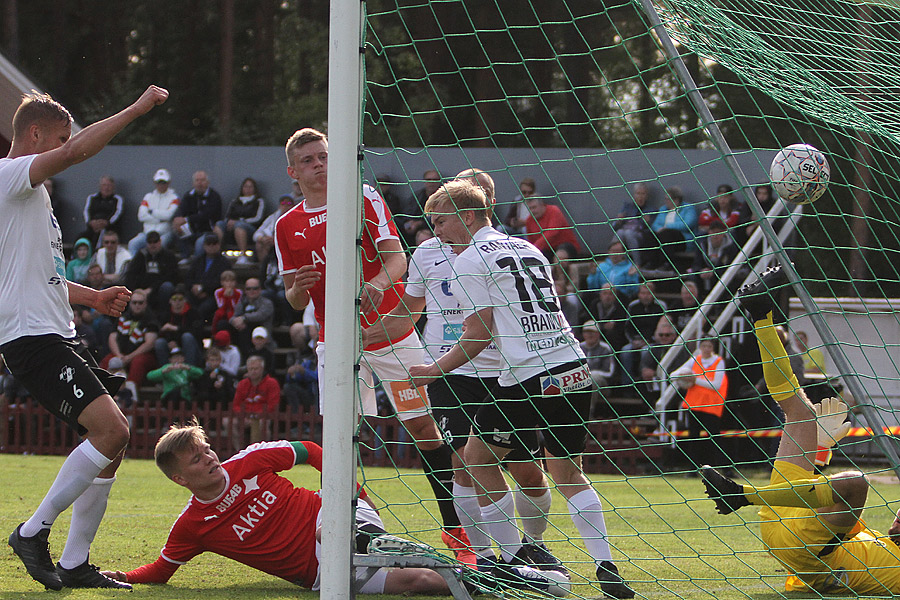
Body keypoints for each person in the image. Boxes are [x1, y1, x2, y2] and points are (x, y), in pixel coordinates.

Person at [409, 180, 634, 598]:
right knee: (568, 472)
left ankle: (512, 562)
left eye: (441, 221)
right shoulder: (529, 248)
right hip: (572, 366)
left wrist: (432, 370)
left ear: (469, 216)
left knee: (476, 459)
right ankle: (606, 567)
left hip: (526, 373)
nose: (436, 231)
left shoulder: (469, 260)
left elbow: (477, 336)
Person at [274, 128, 467, 563]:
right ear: (293, 171)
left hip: (394, 338)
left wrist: (379, 283)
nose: (319, 164)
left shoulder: (363, 196)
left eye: (323, 156)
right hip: (337, 344)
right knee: (341, 436)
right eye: (308, 160)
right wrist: (300, 289)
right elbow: (292, 296)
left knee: (423, 428)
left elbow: (398, 258)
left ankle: (456, 529)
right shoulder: (286, 225)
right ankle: (354, 525)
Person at [1, 85, 167, 590]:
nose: (67, 147)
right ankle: (31, 532)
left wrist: (91, 298)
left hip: (56, 332)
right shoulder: (9, 176)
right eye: (59, 138)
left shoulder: (30, 194)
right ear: (35, 134)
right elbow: (76, 152)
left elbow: (42, 275)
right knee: (112, 432)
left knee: (113, 444)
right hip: (32, 338)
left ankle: (74, 564)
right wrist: (136, 109)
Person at [364, 168, 565, 574]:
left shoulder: (507, 251)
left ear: (484, 205)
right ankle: (484, 559)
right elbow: (407, 315)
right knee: (463, 461)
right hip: (450, 374)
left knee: (527, 471)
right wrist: (359, 336)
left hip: (506, 372)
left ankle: (531, 545)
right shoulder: (426, 252)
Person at [700, 264, 900, 596]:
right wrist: (819, 450)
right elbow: (828, 514)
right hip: (784, 519)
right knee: (801, 411)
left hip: (803, 549)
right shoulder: (875, 540)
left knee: (856, 482)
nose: (897, 518)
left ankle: (739, 495)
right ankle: (761, 313)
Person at [99, 420, 451, 594]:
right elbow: (161, 571)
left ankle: (375, 540)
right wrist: (123, 577)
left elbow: (311, 451)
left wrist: (357, 495)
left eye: (206, 449)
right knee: (420, 579)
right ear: (180, 479)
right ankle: (481, 579)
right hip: (320, 576)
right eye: (196, 459)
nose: (209, 458)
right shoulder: (193, 525)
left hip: (333, 514)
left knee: (328, 533)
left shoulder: (248, 460)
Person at [671, 337, 729, 471]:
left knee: (714, 436)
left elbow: (716, 385)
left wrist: (694, 379)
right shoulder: (694, 360)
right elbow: (673, 375)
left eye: (709, 346)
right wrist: (683, 376)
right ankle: (693, 469)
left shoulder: (719, 362)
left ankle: (724, 467)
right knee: (693, 437)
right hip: (693, 404)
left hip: (711, 405)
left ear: (713, 348)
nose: (706, 349)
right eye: (704, 346)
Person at [100, 290, 159, 386]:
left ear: (145, 304)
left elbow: (149, 343)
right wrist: (119, 355)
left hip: (141, 355)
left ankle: (131, 390)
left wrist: (129, 357)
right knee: (108, 360)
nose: (137, 305)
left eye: (140, 302)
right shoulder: (123, 317)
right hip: (121, 353)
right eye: (134, 302)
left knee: (138, 362)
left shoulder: (151, 320)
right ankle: (103, 387)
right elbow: (112, 337)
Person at [230, 355, 280, 451]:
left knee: (263, 424)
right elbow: (236, 404)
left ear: (262, 369)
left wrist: (256, 416)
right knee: (228, 422)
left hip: (263, 417)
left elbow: (273, 405)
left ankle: (263, 451)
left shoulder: (271, 383)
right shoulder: (242, 384)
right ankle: (239, 451)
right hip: (245, 416)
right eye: (251, 369)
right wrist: (243, 416)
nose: (253, 371)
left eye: (256, 369)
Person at [123, 229, 180, 313]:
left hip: (159, 289)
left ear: (160, 242)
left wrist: (151, 289)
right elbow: (131, 274)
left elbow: (171, 276)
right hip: (140, 289)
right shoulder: (141, 255)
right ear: (146, 244)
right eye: (150, 242)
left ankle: (164, 315)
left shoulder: (169, 256)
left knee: (167, 286)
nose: (153, 245)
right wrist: (137, 290)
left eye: (155, 242)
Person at [172, 170, 223, 259]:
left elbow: (207, 215)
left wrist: (186, 219)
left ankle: (197, 264)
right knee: (177, 230)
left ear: (208, 182)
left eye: (202, 180)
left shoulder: (214, 196)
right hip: (192, 230)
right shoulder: (188, 195)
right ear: (193, 183)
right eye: (197, 180)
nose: (200, 183)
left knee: (200, 243)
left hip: (209, 230)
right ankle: (185, 258)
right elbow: (180, 210)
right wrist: (177, 220)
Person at [128, 168, 180, 254]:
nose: (161, 185)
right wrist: (160, 219)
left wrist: (151, 212)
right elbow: (141, 216)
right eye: (159, 182)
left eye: (164, 182)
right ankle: (136, 267)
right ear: (155, 183)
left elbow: (169, 215)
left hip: (164, 234)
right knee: (133, 244)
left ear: (169, 182)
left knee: (159, 245)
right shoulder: (148, 197)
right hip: (147, 234)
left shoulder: (174, 197)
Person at [215, 177, 266, 264]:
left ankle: (243, 256)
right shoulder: (235, 201)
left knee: (239, 226)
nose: (248, 189)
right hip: (232, 227)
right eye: (246, 187)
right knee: (219, 224)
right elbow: (227, 216)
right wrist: (229, 222)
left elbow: (258, 218)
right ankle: (216, 253)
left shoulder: (258, 201)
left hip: (250, 228)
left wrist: (240, 221)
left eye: (250, 187)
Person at [185, 233, 230, 324]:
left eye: (214, 244)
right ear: (204, 246)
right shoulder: (197, 261)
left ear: (218, 245)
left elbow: (221, 282)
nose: (211, 246)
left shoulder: (224, 263)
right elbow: (188, 278)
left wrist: (203, 288)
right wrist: (193, 287)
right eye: (209, 244)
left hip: (213, 295)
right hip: (194, 293)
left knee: (204, 308)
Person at [649, 186, 698, 268]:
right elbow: (655, 225)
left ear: (675, 200)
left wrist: (667, 227)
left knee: (667, 234)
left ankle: (666, 263)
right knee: (648, 235)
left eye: (667, 199)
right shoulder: (663, 209)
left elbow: (688, 224)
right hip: (662, 236)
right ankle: (650, 262)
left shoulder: (688, 208)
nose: (666, 201)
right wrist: (660, 229)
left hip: (682, 239)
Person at [154, 286, 203, 368]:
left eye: (180, 299)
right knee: (159, 342)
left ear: (185, 300)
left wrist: (176, 329)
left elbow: (197, 332)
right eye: (174, 299)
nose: (177, 302)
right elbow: (159, 331)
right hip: (172, 348)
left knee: (187, 337)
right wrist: (170, 341)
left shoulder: (194, 313)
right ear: (170, 301)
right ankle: (167, 373)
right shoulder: (165, 314)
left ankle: (188, 372)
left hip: (190, 348)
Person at [229, 277, 275, 354]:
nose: (251, 291)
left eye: (255, 288)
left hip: (260, 333)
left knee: (246, 327)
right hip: (243, 333)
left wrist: (243, 318)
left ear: (260, 289)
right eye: (248, 289)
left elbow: (260, 315)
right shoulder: (242, 302)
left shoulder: (267, 303)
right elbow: (234, 316)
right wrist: (234, 321)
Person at [612, 183, 654, 265]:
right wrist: (619, 221)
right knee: (620, 232)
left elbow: (652, 229)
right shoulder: (627, 207)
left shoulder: (651, 209)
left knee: (628, 233)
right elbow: (614, 227)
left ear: (647, 196)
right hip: (624, 232)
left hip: (640, 235)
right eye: (638, 193)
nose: (640, 197)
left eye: (643, 194)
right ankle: (613, 262)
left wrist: (647, 222)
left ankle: (637, 264)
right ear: (634, 195)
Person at [79, 175, 123, 249]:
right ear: (100, 186)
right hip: (92, 228)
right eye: (104, 185)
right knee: (80, 238)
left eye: (109, 185)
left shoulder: (117, 199)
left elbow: (118, 213)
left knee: (100, 238)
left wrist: (106, 223)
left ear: (113, 187)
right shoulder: (92, 198)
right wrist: (90, 222)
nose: (106, 188)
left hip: (109, 229)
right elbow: (86, 211)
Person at [253, 193, 294, 268]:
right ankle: (264, 268)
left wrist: (276, 240)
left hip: (286, 245)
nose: (286, 206)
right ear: (279, 206)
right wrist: (262, 238)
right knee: (260, 244)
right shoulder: (272, 217)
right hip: (270, 243)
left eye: (289, 203)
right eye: (283, 203)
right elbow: (256, 234)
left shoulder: (295, 218)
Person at [211, 270, 241, 334]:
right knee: (218, 314)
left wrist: (232, 296)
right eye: (227, 281)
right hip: (223, 312)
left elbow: (236, 306)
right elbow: (220, 305)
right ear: (222, 282)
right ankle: (214, 333)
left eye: (232, 281)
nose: (229, 284)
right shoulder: (218, 292)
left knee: (231, 315)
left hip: (233, 312)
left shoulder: (239, 292)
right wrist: (226, 296)